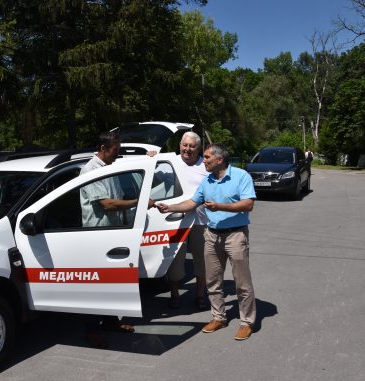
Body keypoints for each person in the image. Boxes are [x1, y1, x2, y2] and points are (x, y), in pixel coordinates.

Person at [157, 143, 257, 341]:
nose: (205, 161)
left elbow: (248, 204)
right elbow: (192, 203)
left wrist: (220, 206)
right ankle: (219, 317)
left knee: (242, 282)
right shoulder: (207, 181)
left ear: (219, 160)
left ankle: (247, 322)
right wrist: (169, 208)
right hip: (211, 235)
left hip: (235, 235)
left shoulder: (241, 176)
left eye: (208, 158)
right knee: (212, 280)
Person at [79, 131, 155, 348]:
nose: (117, 155)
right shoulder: (91, 170)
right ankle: (91, 330)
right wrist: (138, 202)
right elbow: (107, 204)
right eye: (115, 151)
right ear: (103, 149)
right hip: (96, 235)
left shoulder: (110, 168)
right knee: (96, 287)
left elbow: (118, 200)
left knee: (112, 282)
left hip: (113, 233)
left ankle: (112, 321)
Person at [165, 131, 209, 310]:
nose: (188, 149)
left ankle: (200, 294)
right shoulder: (170, 163)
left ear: (199, 148)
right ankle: (174, 295)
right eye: (185, 145)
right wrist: (151, 155)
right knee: (175, 260)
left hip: (201, 222)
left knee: (202, 261)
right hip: (176, 221)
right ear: (180, 145)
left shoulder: (206, 165)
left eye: (192, 146)